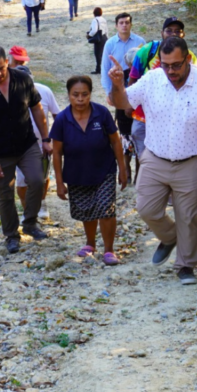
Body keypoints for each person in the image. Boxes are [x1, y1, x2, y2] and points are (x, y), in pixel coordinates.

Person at [108, 36, 197, 285]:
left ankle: (186, 265)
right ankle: (170, 237)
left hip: (192, 161)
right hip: (155, 157)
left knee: (188, 216)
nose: (171, 71)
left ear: (187, 59)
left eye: (176, 64)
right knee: (146, 208)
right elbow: (123, 103)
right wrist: (118, 85)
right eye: (166, 65)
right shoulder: (153, 78)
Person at [0, 46, 54, 254]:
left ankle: (30, 223)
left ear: (7, 61)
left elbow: (37, 108)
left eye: (0, 68)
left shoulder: (23, 80)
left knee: (37, 180)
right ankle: (11, 236)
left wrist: (45, 138)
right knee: (5, 194)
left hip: (27, 144)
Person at [52, 76, 128, 264]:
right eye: (75, 95)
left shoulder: (101, 113)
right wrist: (59, 183)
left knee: (106, 208)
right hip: (77, 173)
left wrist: (123, 169)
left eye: (84, 94)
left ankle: (109, 250)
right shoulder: (62, 119)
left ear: (90, 95)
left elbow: (115, 141)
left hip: (105, 169)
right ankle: (90, 243)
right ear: (68, 95)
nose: (80, 99)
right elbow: (56, 153)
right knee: (87, 209)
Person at [128, 17, 197, 159]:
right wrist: (129, 104)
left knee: (167, 156)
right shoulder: (147, 51)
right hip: (143, 116)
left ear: (183, 34)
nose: (173, 34)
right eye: (169, 31)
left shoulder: (190, 57)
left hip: (175, 118)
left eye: (177, 31)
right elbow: (133, 77)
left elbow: (196, 86)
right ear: (162, 33)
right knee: (143, 157)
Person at [8, 46, 60, 221]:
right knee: (22, 181)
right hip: (18, 145)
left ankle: (42, 203)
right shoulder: (8, 93)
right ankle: (27, 210)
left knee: (42, 176)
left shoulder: (44, 91)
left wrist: (52, 138)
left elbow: (57, 115)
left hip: (41, 143)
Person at [100, 12, 145, 153]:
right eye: (121, 23)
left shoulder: (141, 41)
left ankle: (139, 155)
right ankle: (126, 160)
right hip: (119, 88)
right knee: (123, 125)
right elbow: (105, 67)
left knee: (139, 122)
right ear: (116, 25)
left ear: (131, 24)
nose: (124, 25)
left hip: (137, 88)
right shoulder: (110, 43)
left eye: (127, 22)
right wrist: (108, 92)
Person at [87, 8, 108, 74]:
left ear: (94, 13)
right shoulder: (104, 19)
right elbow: (106, 29)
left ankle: (98, 69)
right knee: (103, 53)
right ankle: (104, 68)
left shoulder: (95, 20)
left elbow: (94, 30)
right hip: (104, 37)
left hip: (98, 38)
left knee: (97, 54)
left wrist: (89, 35)